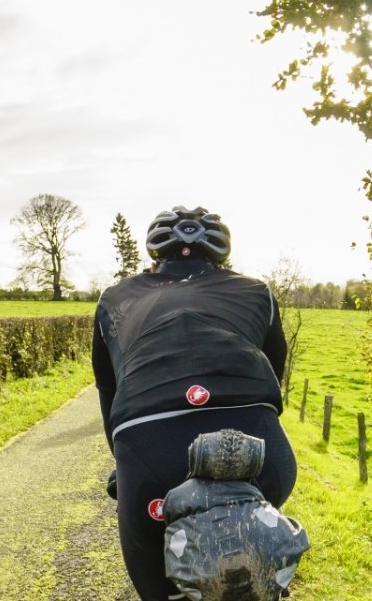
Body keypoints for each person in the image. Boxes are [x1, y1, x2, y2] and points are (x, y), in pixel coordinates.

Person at [92, 207, 297, 600]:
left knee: (156, 587)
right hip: (259, 447)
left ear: (155, 256)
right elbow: (274, 373)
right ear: (221, 257)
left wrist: (124, 464)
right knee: (259, 574)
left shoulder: (114, 299)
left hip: (151, 450)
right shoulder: (257, 291)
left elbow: (109, 391)